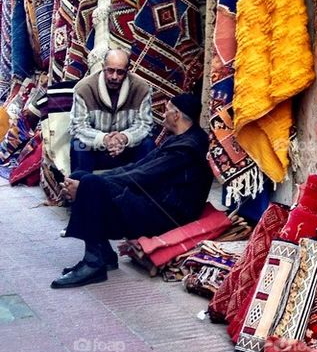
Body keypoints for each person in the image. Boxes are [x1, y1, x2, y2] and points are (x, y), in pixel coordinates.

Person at [52, 91, 212, 289]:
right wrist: (87, 182)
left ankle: (94, 264)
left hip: (169, 214)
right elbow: (138, 167)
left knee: (91, 186)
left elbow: (141, 176)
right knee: (82, 177)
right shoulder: (181, 138)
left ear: (177, 115)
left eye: (167, 110)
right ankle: (104, 255)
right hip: (157, 201)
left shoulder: (186, 148)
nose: (164, 115)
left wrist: (90, 186)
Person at [69, 49, 154, 173]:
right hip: (96, 149)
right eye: (110, 70)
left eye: (120, 72)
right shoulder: (84, 88)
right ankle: (80, 186)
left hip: (126, 148)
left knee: (147, 144)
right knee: (78, 145)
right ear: (103, 67)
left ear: (127, 70)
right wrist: (104, 140)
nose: (114, 77)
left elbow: (145, 124)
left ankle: (144, 189)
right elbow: (78, 127)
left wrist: (124, 138)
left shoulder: (141, 88)